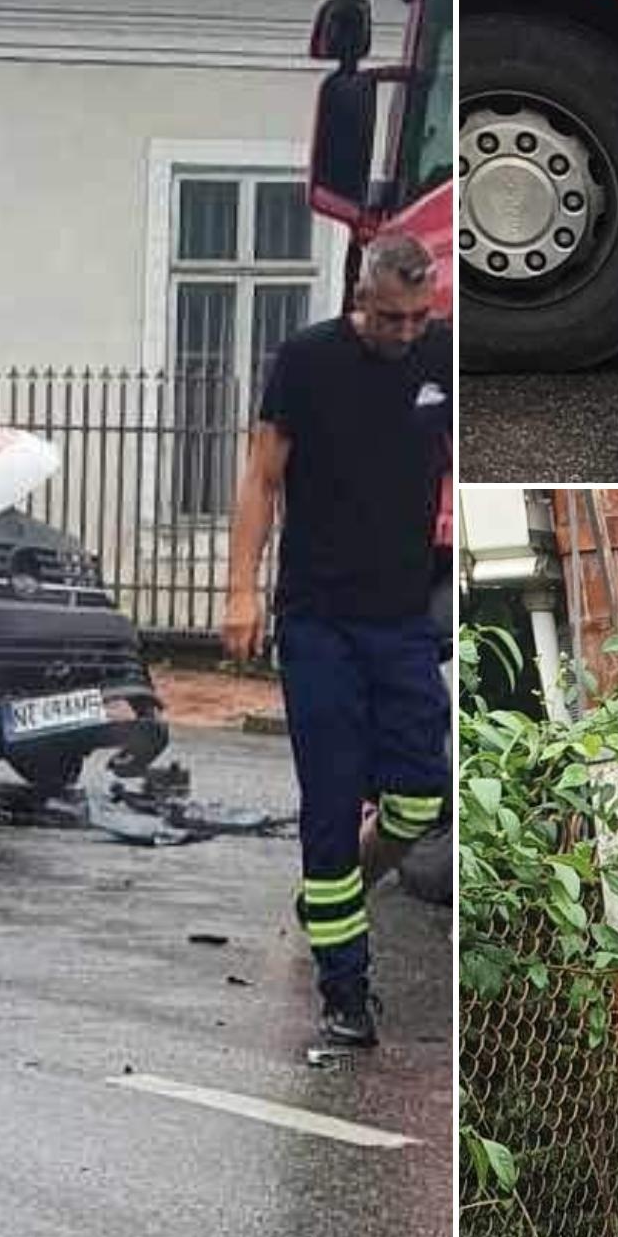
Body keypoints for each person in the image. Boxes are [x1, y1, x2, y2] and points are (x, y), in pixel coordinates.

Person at [223, 232, 452, 1048]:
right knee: (328, 800)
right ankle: (345, 992)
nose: (404, 333)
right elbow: (261, 477)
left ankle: (340, 884)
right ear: (361, 299)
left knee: (422, 794)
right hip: (317, 619)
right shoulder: (306, 362)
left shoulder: (441, 359)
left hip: (400, 621)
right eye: (391, 318)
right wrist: (242, 588)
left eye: (418, 318)